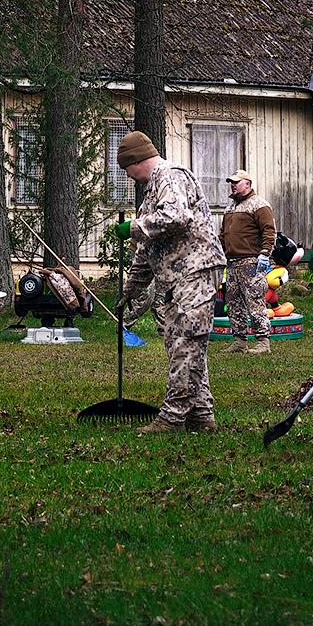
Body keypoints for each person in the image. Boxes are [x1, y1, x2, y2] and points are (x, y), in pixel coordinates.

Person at [114, 131, 226, 433]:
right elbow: (149, 249)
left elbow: (176, 217)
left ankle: (172, 417)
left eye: (126, 168)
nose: (128, 175)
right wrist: (131, 289)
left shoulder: (170, 176)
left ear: (136, 161)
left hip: (196, 269)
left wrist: (134, 227)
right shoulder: (153, 190)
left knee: (186, 343)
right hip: (177, 276)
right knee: (184, 343)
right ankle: (201, 415)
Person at [219, 169, 277, 354]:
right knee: (234, 302)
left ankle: (263, 342)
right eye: (231, 182)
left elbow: (269, 230)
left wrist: (265, 253)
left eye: (237, 182)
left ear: (248, 184)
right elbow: (223, 235)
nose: (233, 185)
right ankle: (239, 341)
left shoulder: (259, 205)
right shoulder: (230, 208)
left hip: (251, 262)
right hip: (232, 263)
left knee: (255, 301)